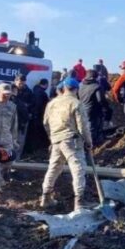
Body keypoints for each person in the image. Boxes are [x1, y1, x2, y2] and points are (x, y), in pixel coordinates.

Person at [41, 78, 92, 211]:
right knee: (78, 169)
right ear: (76, 89)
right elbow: (83, 127)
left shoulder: (52, 103)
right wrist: (88, 142)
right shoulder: (76, 103)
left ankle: (45, 197)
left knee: (54, 168)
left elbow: (46, 123)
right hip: (72, 140)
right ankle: (79, 202)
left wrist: (52, 137)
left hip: (56, 140)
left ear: (64, 88)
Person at [79, 69, 111, 145]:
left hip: (82, 109)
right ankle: (92, 145)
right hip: (93, 110)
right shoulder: (96, 87)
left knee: (85, 128)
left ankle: (87, 143)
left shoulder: (81, 85)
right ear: (95, 77)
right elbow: (101, 100)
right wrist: (107, 109)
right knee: (93, 128)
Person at [25, 78, 50, 153]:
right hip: (39, 116)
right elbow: (40, 106)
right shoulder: (42, 93)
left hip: (33, 115)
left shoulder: (34, 90)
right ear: (46, 84)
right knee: (36, 134)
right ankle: (34, 150)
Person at [12, 74, 34, 153]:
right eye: (19, 83)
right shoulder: (10, 89)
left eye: (23, 83)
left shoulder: (28, 91)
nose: (21, 85)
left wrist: (25, 106)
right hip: (10, 119)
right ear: (15, 81)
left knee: (19, 140)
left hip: (22, 119)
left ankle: (16, 159)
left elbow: (32, 104)